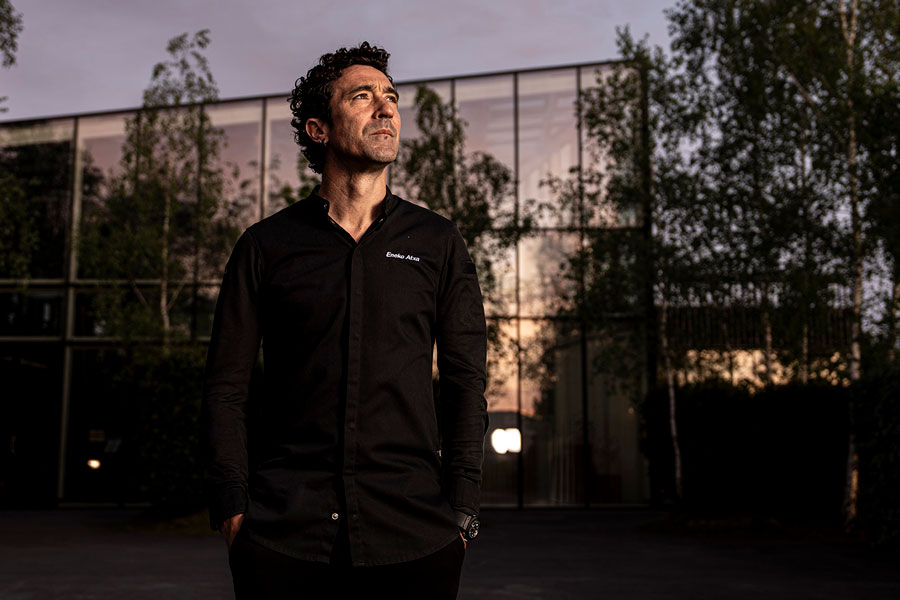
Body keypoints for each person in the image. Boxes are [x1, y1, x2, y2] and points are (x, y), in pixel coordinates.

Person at [201, 42, 488, 599]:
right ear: (319, 129)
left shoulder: (438, 242)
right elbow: (226, 388)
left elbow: (465, 382)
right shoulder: (265, 246)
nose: (386, 109)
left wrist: (463, 509)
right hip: (283, 538)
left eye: (391, 97)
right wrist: (232, 507)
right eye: (362, 97)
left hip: (415, 537)